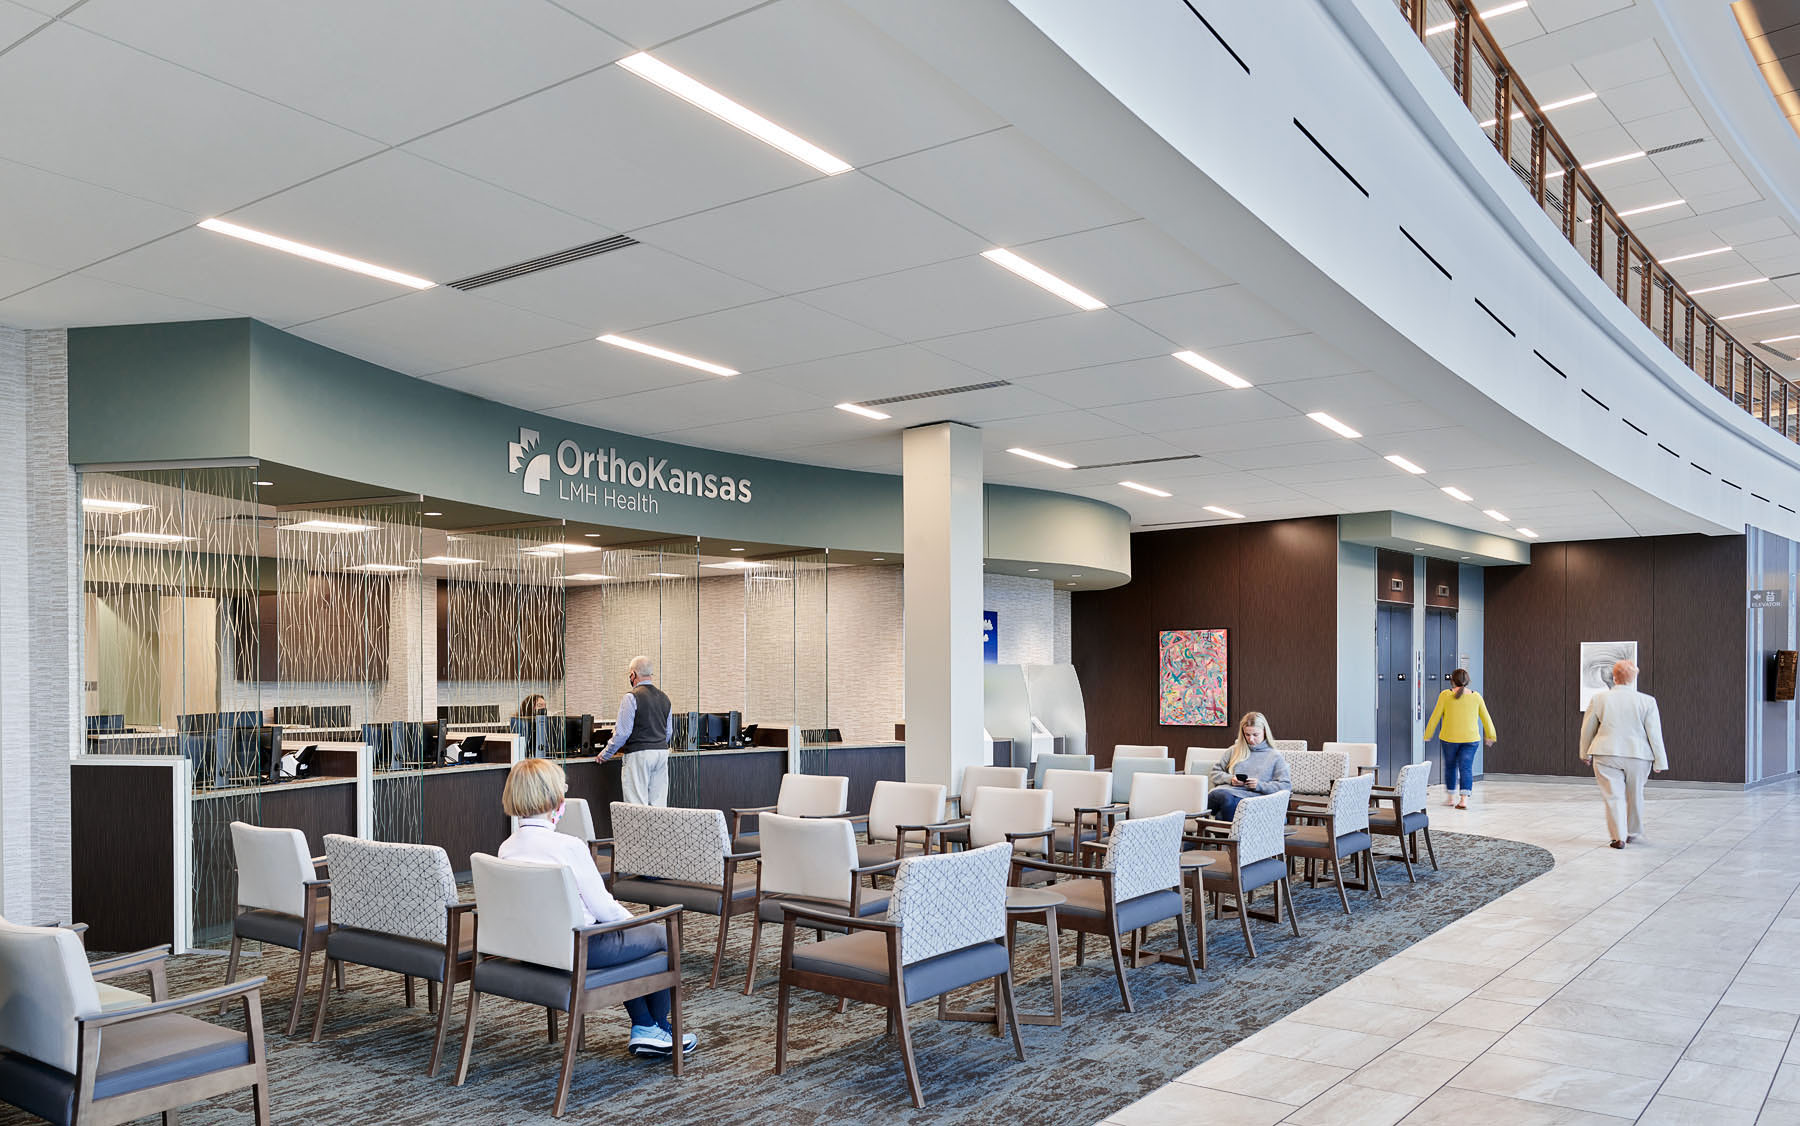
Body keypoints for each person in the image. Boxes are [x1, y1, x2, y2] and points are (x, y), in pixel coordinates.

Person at [496, 758, 694, 1057]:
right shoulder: (568, 846)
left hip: (535, 952)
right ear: (555, 799)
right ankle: (658, 1027)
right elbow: (606, 911)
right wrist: (638, 924)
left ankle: (646, 1027)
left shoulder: (507, 848)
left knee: (633, 949)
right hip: (583, 948)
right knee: (663, 935)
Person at [1579, 658, 1667, 849]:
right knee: (1636, 794)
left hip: (1605, 753)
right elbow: (1654, 733)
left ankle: (1618, 837)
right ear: (1634, 678)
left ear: (1614, 677)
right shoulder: (1647, 701)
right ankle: (1633, 831)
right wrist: (1660, 762)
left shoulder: (1599, 699)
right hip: (1638, 755)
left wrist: (1585, 753)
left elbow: (1587, 729)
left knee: (1613, 796)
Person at [597, 655, 672, 806]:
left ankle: (640, 831)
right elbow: (668, 732)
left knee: (637, 806)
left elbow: (623, 733)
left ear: (633, 674)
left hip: (639, 754)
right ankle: (656, 831)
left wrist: (606, 754)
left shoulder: (631, 697)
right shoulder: (665, 698)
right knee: (659, 805)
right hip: (661, 753)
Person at [1423, 668, 1497, 810]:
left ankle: (1450, 798)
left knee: (1450, 766)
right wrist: (1491, 735)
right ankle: (1463, 800)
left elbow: (1435, 716)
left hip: (1449, 739)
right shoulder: (1476, 696)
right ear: (1467, 681)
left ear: (1452, 680)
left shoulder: (1445, 695)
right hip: (1471, 739)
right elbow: (1486, 718)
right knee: (1466, 768)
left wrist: (1428, 734)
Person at [1206, 711, 1291, 821]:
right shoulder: (1234, 750)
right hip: (1225, 793)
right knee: (1221, 797)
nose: (1251, 739)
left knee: (1222, 813)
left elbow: (1285, 786)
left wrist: (1259, 785)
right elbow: (1214, 773)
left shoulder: (1274, 756)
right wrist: (1230, 779)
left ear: (1264, 732)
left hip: (1253, 799)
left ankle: (1228, 835)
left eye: (1255, 735)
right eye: (1247, 735)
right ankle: (1236, 836)